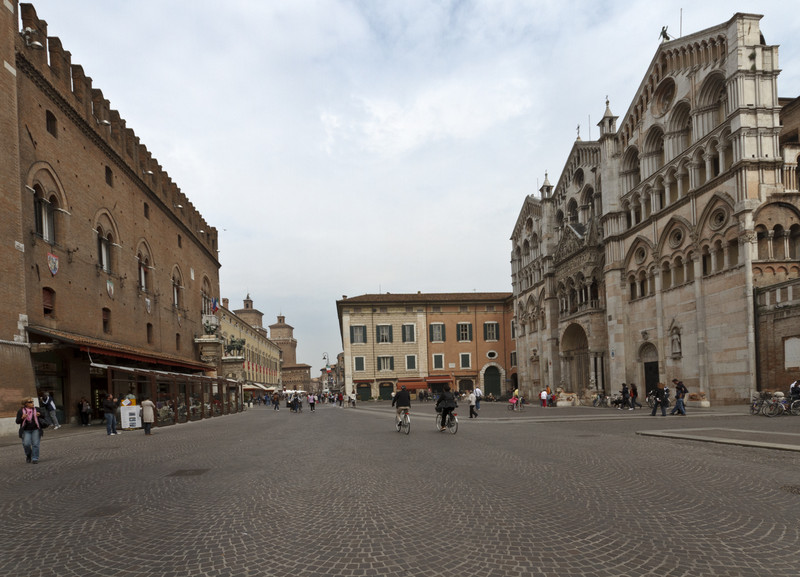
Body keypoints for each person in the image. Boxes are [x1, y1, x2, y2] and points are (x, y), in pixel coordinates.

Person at [16, 398, 45, 464]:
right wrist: (22, 418)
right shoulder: (21, 411)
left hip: (36, 429)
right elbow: (17, 422)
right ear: (26, 404)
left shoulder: (37, 409)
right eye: (30, 402)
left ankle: (35, 458)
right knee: (26, 444)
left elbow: (44, 416)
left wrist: (40, 414)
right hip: (26, 430)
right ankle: (29, 455)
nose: (32, 403)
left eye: (32, 401)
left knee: (35, 444)